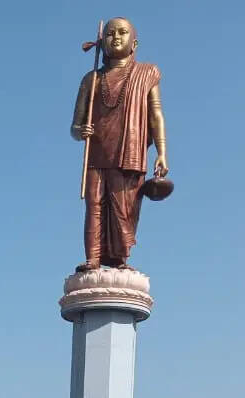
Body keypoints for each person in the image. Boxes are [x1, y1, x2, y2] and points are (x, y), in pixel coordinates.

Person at [70, 18, 169, 271]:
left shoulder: (147, 73)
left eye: (122, 33)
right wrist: (82, 131)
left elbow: (156, 114)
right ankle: (92, 258)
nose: (116, 37)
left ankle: (120, 259)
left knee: (123, 208)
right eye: (110, 33)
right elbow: (74, 126)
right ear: (101, 42)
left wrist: (162, 152)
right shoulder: (91, 79)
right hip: (97, 150)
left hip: (130, 150)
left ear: (134, 42)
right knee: (94, 203)